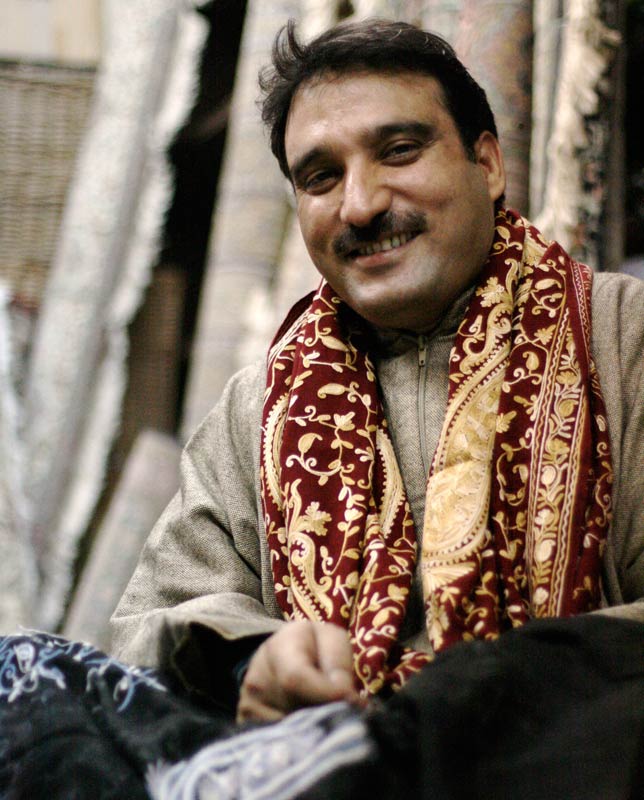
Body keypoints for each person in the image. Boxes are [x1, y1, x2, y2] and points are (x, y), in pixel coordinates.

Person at [110, 18, 644, 726]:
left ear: (488, 164)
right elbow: (146, 628)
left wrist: (513, 684)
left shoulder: (622, 337)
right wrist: (252, 659)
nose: (360, 206)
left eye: (398, 151)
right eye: (321, 177)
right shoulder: (258, 409)